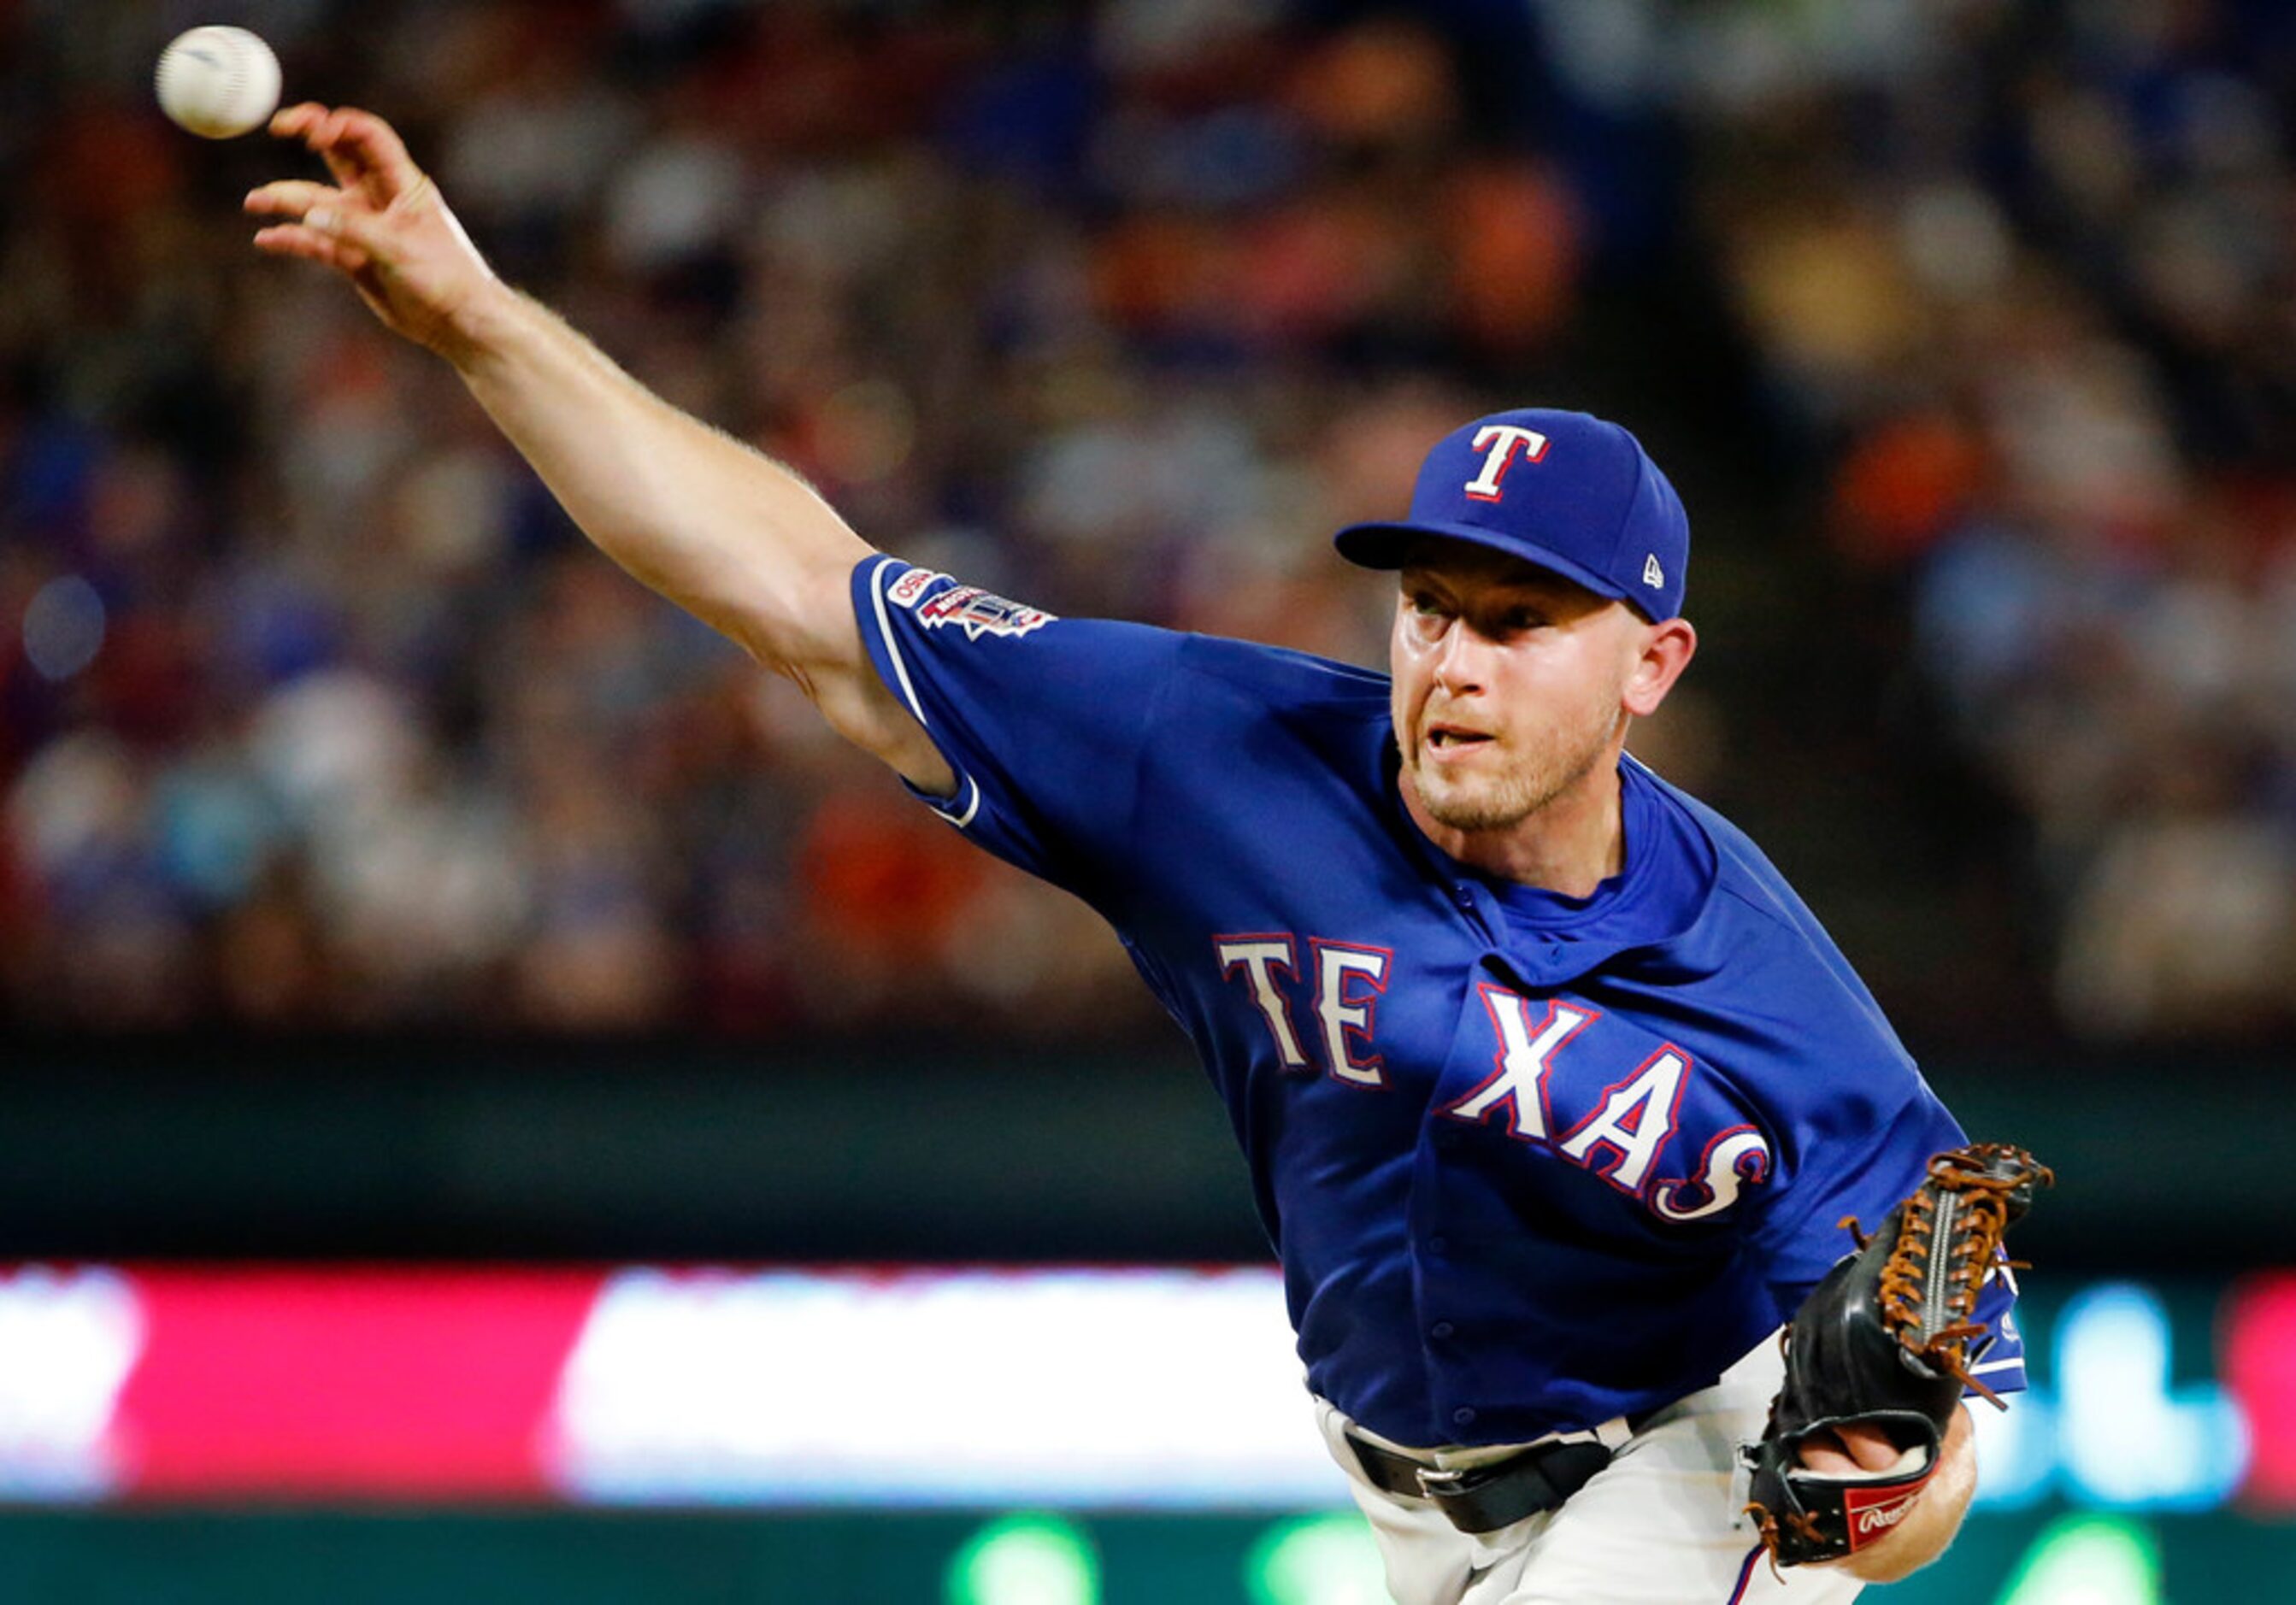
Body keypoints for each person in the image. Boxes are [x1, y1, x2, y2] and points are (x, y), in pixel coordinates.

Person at [245, 105, 2019, 1602]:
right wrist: (480, 321)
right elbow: (800, 593)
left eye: (1521, 620)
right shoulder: (1219, 756)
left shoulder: (1765, 995)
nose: (1453, 661)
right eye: (1428, 606)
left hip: (1690, 1466)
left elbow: (1948, 1388)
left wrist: (1882, 1494)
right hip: (1402, 1497)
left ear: (1649, 663)